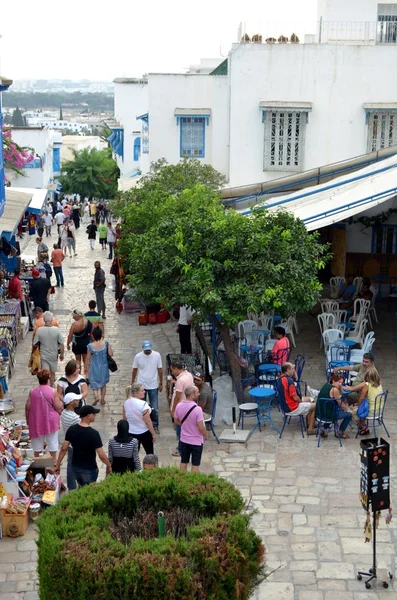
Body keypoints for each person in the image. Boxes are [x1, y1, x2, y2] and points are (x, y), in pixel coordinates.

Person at [55, 405, 112, 486]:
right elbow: (101, 455)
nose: (95, 415)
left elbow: (64, 448)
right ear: (88, 416)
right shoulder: (93, 433)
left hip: (75, 467)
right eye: (93, 413)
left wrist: (58, 465)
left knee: (81, 486)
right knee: (89, 493)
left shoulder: (71, 429)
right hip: (89, 469)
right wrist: (109, 465)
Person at [25, 369, 63, 462]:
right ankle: (54, 460)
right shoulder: (53, 391)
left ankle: (37, 459)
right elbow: (58, 407)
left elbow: (27, 407)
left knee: (37, 440)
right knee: (52, 440)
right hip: (51, 420)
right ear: (48, 378)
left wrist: (28, 420)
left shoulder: (33, 391)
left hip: (36, 419)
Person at [174, 385, 208, 473]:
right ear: (192, 395)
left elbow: (176, 421)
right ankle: (193, 482)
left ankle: (182, 479)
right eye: (197, 393)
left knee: (184, 461)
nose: (199, 394)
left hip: (184, 439)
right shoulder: (198, 409)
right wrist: (205, 434)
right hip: (196, 441)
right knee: (195, 464)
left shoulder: (179, 405)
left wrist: (186, 425)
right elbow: (200, 426)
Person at [276, 362, 317, 434]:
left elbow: (296, 379)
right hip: (292, 407)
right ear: (288, 370)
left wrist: (294, 373)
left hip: (286, 405)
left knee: (311, 399)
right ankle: (310, 428)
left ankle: (309, 422)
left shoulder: (281, 378)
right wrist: (301, 401)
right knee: (316, 406)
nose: (294, 370)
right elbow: (295, 397)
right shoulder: (289, 381)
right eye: (292, 369)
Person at [132, 341, 163, 433]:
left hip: (153, 385)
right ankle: (142, 424)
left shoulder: (157, 355)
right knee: (141, 406)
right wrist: (132, 381)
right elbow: (134, 369)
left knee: (154, 407)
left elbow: (160, 369)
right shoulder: (138, 356)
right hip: (142, 384)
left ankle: (155, 424)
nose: (148, 351)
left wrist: (161, 382)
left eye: (149, 350)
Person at [345, 367, 383, 435]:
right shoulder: (379, 383)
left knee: (352, 411)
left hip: (371, 411)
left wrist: (358, 406)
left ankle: (363, 427)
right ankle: (363, 425)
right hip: (379, 410)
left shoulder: (367, 385)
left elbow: (361, 398)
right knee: (361, 407)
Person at [123, 383, 157, 454]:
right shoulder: (143, 404)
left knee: (133, 455)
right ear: (135, 393)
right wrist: (153, 434)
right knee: (149, 453)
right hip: (144, 432)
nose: (144, 391)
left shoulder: (126, 403)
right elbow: (148, 421)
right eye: (142, 390)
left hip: (131, 432)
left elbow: (124, 419)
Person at [316, 373, 352, 439]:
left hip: (320, 413)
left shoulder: (326, 385)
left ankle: (323, 428)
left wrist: (340, 386)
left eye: (342, 382)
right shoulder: (334, 390)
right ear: (333, 380)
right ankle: (340, 432)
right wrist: (348, 410)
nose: (340, 384)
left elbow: (342, 393)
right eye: (339, 382)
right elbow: (341, 404)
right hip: (328, 415)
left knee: (336, 409)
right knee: (349, 415)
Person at [170, 360, 194, 457]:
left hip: (181, 407)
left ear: (176, 369)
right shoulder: (188, 375)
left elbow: (177, 397)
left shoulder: (180, 380)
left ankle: (181, 449)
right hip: (188, 405)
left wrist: (173, 410)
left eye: (172, 370)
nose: (172, 372)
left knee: (179, 429)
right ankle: (183, 446)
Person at [33, 311, 64, 387]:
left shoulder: (39, 330)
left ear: (44, 320)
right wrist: (62, 354)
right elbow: (61, 344)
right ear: (52, 320)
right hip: (54, 355)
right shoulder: (56, 330)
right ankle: (51, 387)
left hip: (44, 355)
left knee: (45, 373)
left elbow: (35, 344)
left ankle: (46, 387)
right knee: (53, 372)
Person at [60, 393, 81, 490]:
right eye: (76, 400)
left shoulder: (64, 413)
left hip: (70, 443)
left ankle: (71, 486)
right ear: (70, 403)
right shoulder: (75, 418)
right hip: (76, 445)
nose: (78, 401)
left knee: (70, 465)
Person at [87, 326, 112, 405]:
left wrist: (87, 367)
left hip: (94, 366)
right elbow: (111, 354)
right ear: (101, 335)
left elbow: (88, 358)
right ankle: (102, 399)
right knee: (103, 383)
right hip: (104, 366)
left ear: (93, 335)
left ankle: (96, 396)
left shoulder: (90, 346)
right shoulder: (106, 344)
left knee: (93, 382)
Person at [67, 309, 93, 375]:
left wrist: (68, 344)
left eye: (74, 316)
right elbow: (92, 334)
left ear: (78, 316)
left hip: (77, 345)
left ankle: (79, 375)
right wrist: (94, 343)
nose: (73, 318)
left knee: (78, 361)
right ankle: (87, 375)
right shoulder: (88, 322)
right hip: (86, 344)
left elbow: (70, 336)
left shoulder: (74, 325)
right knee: (86, 361)